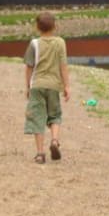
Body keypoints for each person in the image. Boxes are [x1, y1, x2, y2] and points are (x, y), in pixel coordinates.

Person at [23, 11, 71, 164]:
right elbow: (63, 66)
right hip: (53, 86)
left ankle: (40, 153)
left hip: (37, 85)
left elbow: (29, 67)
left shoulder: (34, 44)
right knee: (55, 115)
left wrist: (28, 86)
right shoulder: (60, 43)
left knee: (38, 117)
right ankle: (55, 141)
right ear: (55, 26)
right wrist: (67, 86)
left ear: (37, 27)